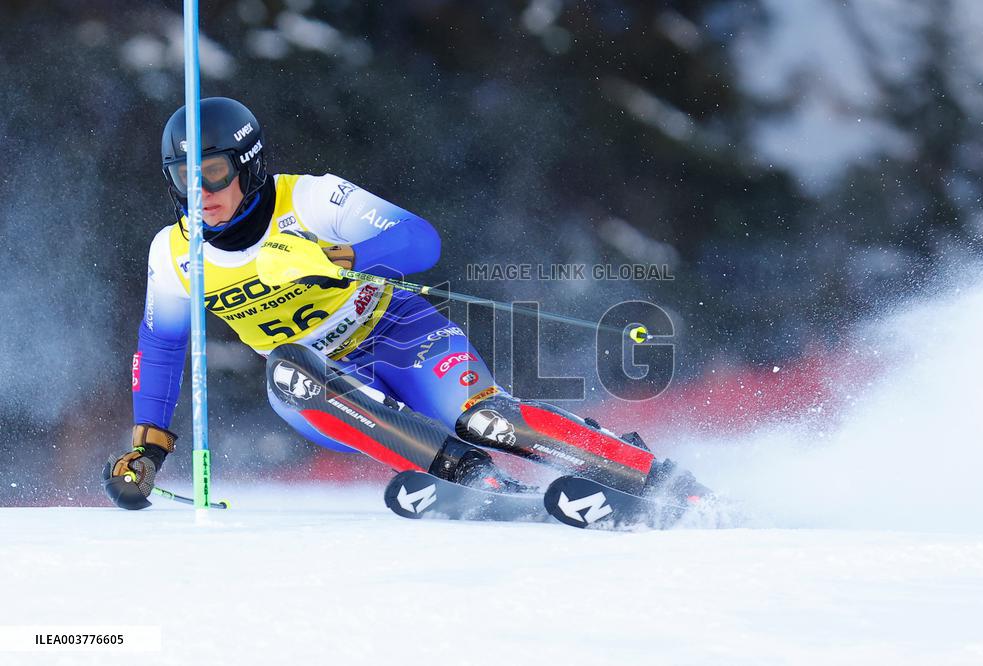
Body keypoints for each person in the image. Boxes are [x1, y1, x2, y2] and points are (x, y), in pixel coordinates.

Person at [102, 97, 702, 510]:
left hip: (402, 334)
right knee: (290, 368)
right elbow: (161, 347)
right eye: (183, 178)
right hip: (326, 386)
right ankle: (476, 484)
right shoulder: (174, 253)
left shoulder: (312, 198)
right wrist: (147, 449)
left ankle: (653, 477)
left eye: (212, 173)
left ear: (249, 167)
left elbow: (420, 240)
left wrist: (340, 257)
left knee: (487, 420)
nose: (199, 194)